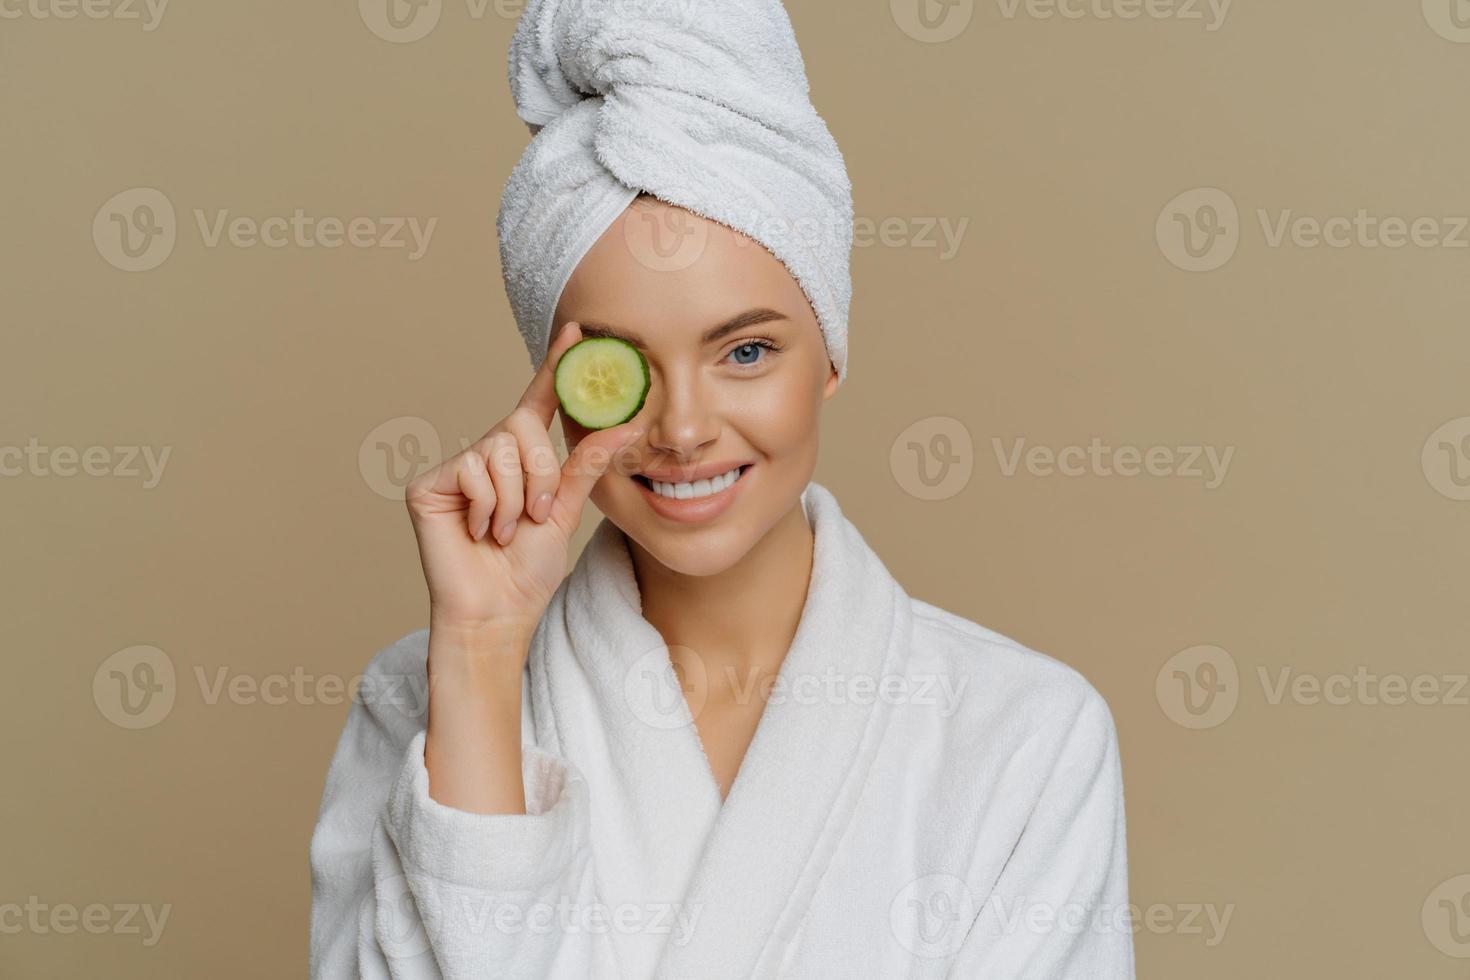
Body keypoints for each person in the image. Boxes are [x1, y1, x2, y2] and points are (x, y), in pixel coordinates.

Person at [309, 2, 1134, 978]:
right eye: (623, 362)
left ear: (827, 353)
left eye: (746, 350)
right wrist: (482, 658)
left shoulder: (1025, 733)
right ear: (554, 387)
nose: (685, 427)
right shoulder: (423, 699)